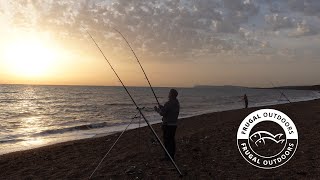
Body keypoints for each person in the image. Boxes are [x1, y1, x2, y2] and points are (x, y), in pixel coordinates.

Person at [154, 89, 180, 160]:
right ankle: (171, 156)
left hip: (167, 125)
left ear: (171, 95)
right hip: (174, 125)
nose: (168, 94)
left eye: (169, 93)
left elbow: (162, 113)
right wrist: (162, 107)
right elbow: (169, 110)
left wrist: (157, 110)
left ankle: (167, 156)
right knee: (171, 140)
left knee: (167, 141)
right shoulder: (177, 103)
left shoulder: (168, 103)